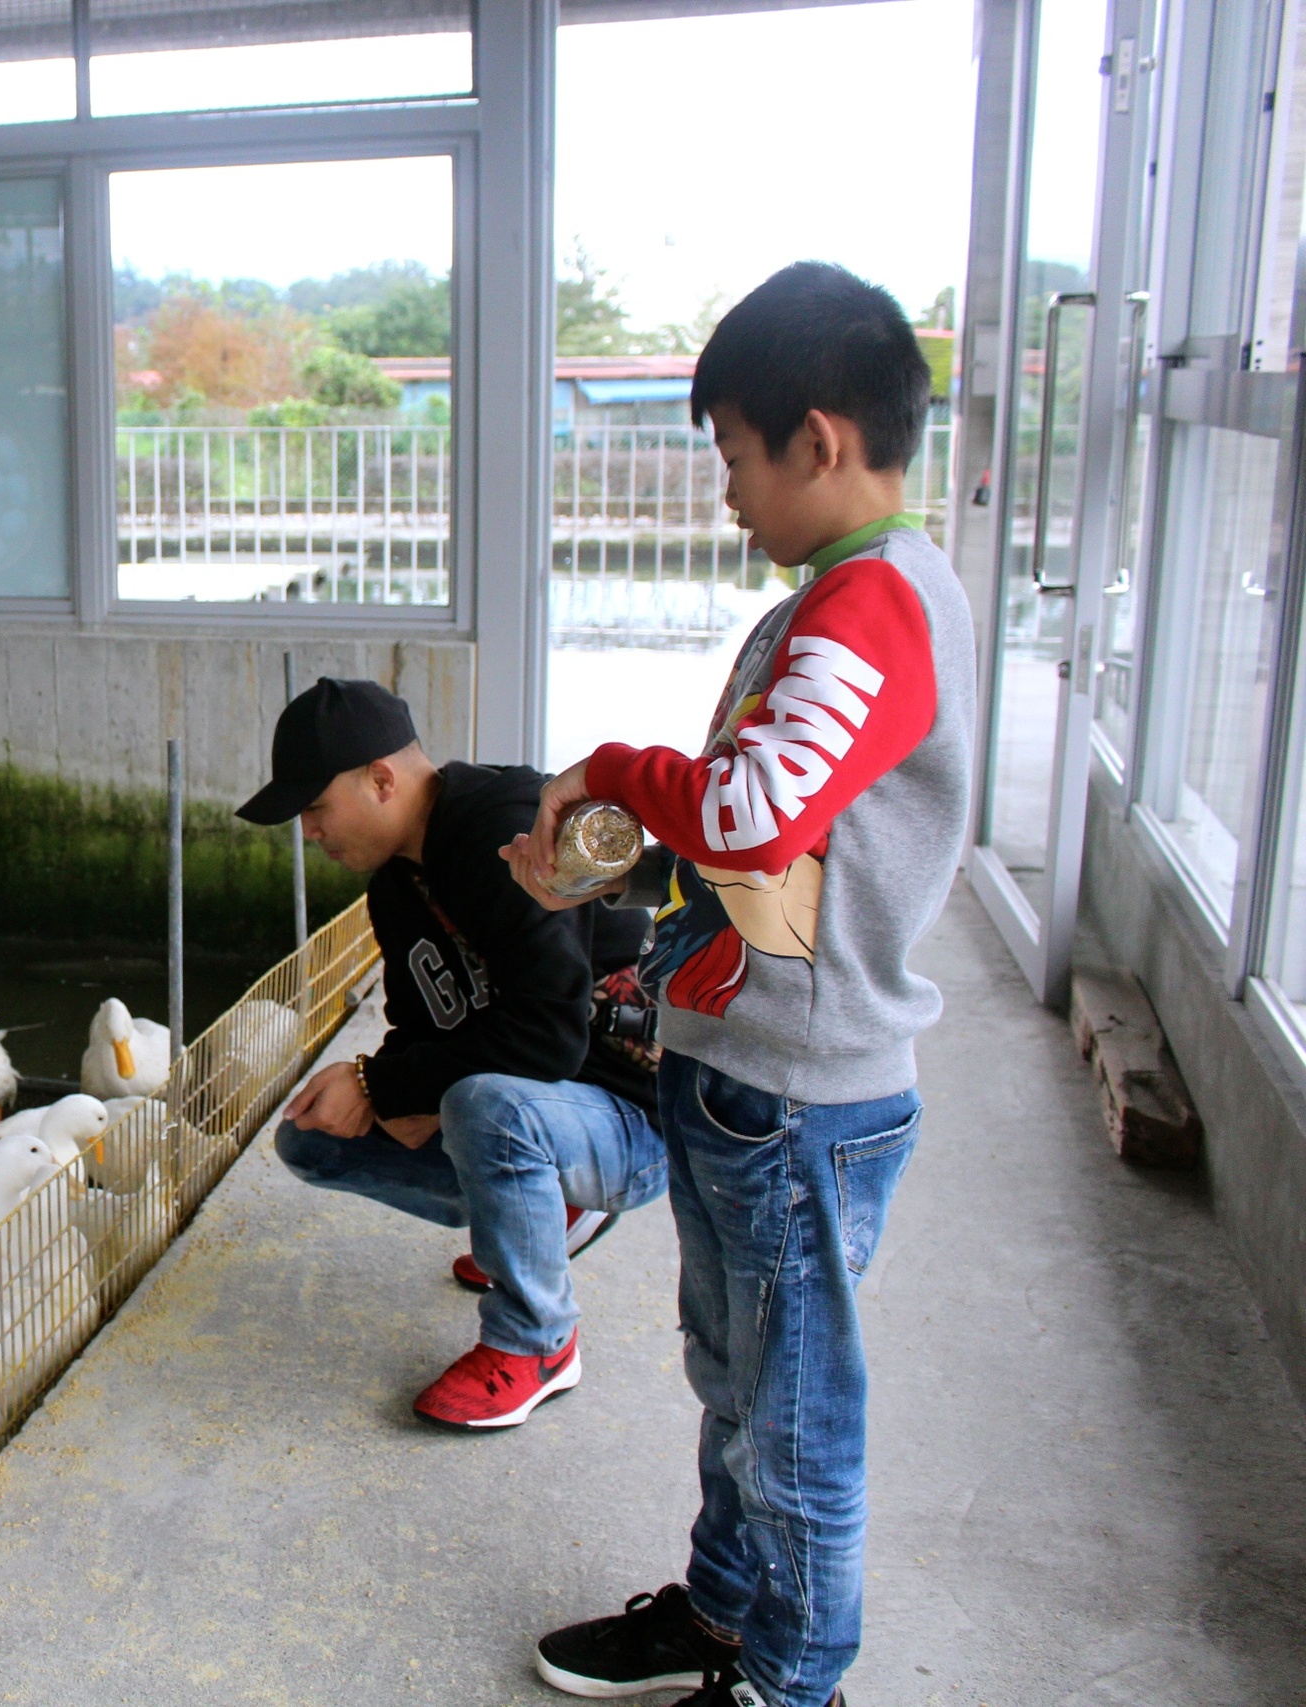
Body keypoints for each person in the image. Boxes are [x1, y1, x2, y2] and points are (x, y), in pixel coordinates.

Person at [510, 263, 975, 1707]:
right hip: (746, 1067)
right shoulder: (840, 596)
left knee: (797, 1415)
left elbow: (758, 811)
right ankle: (724, 1608)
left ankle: (792, 1678)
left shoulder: (878, 605)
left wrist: (615, 768)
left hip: (803, 1098)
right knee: (739, 1383)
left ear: (818, 441)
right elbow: (771, 839)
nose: (726, 495)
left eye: (732, 457)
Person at [236, 676, 666, 1430]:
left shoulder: (501, 829)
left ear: (380, 779)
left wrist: (384, 1080)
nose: (308, 830)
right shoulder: (396, 887)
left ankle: (538, 1340)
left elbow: (550, 1035)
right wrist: (385, 1087)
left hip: (631, 1116)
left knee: (478, 1103)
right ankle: (538, 1217)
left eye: (314, 806)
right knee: (312, 1139)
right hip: (545, 1102)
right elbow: (423, 1032)